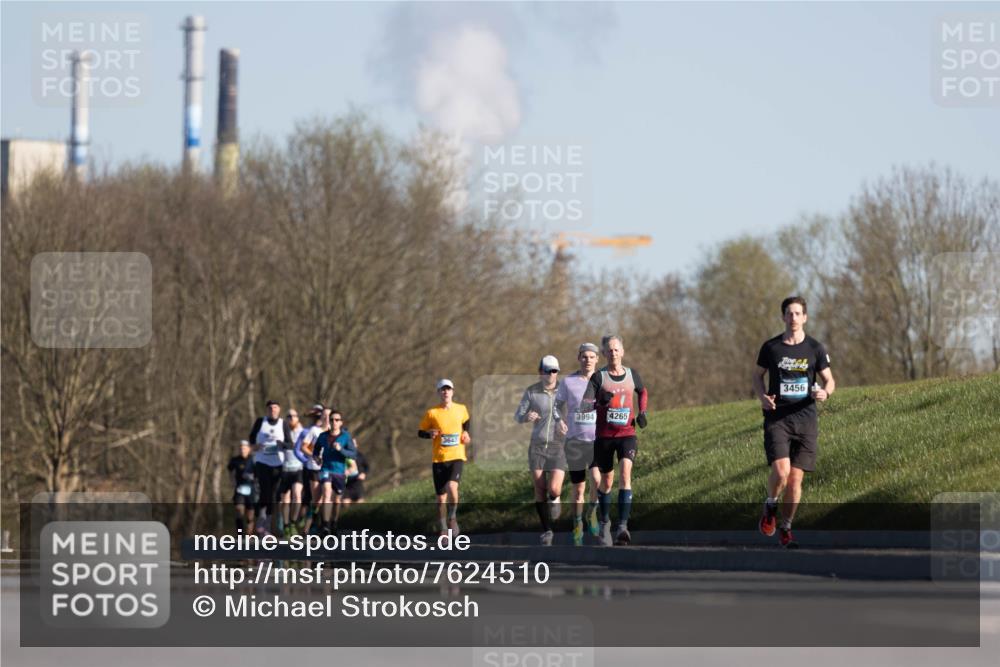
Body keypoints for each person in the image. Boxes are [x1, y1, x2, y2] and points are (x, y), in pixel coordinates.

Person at [752, 296, 835, 549]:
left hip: (806, 420)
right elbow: (757, 376)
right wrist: (762, 397)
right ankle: (770, 504)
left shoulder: (815, 348)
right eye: (789, 313)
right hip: (778, 418)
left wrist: (825, 392)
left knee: (796, 480)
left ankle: (786, 528)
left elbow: (830, 380)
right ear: (783, 317)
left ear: (805, 317)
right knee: (781, 472)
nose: (793, 318)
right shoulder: (771, 348)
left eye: (798, 313)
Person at [583, 335, 649, 546]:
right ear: (604, 354)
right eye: (609, 350)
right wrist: (599, 403)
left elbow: (642, 391)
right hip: (603, 437)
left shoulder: (632, 375)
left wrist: (642, 412)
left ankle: (622, 526)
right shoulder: (598, 378)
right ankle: (604, 523)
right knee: (607, 482)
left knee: (625, 474)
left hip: (627, 435)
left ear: (623, 351)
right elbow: (585, 405)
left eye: (616, 349)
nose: (613, 353)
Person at [515, 355, 568, 546]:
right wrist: (527, 416)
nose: (551, 374)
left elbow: (576, 410)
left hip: (557, 446)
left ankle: (556, 498)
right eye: (547, 370)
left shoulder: (564, 390)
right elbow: (518, 415)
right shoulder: (532, 392)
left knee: (553, 488)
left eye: (554, 371)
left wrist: (566, 424)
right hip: (537, 447)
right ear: (540, 372)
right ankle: (547, 531)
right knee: (539, 489)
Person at [556, 343, 603, 546]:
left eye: (592, 357)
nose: (588, 360)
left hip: (595, 440)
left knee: (597, 480)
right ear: (579, 358)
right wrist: (559, 420)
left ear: (597, 360)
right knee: (577, 490)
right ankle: (577, 523)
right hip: (574, 441)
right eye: (584, 357)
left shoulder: (602, 380)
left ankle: (592, 512)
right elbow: (557, 406)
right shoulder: (568, 382)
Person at [418, 379, 471, 537]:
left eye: (448, 389)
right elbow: (420, 432)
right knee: (441, 499)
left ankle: (452, 517)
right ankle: (443, 529)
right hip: (439, 460)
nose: (445, 392)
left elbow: (466, 423)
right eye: (442, 390)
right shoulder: (432, 413)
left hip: (456, 456)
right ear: (439, 393)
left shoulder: (461, 409)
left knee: (452, 488)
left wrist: (466, 433)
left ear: (453, 392)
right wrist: (429, 433)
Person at [248, 399, 295, 535]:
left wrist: (282, 445)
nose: (273, 410)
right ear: (267, 410)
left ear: (279, 410)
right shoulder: (260, 422)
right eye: (270, 408)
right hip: (262, 461)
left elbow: (290, 444)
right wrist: (255, 446)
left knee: (274, 495)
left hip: (277, 463)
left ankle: (268, 522)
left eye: (275, 408)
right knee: (265, 491)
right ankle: (262, 521)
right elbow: (251, 438)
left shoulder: (283, 424)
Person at [312, 409, 357, 535]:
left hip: (339, 472)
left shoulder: (346, 437)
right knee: (326, 494)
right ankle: (325, 525)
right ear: (329, 421)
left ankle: (334, 523)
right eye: (331, 419)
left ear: (341, 422)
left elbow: (353, 454)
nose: (334, 422)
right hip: (326, 469)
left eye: (337, 420)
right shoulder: (322, 436)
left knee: (337, 501)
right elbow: (315, 450)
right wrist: (317, 458)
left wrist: (341, 450)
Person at [294, 404, 328, 535]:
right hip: (313, 468)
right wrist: (312, 457)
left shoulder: (336, 432)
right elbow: (301, 448)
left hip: (329, 468)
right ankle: (309, 526)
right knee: (316, 500)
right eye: (323, 416)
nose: (325, 419)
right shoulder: (313, 430)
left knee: (325, 497)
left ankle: (320, 525)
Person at [278, 409, 305, 536]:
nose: (291, 418)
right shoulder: (282, 432)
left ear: (298, 418)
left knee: (297, 495)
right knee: (285, 501)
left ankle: (293, 522)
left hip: (298, 469)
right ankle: (286, 525)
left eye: (293, 416)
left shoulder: (303, 432)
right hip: (285, 469)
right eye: (288, 416)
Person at [227, 440, 257, 534]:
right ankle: (239, 533)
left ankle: (249, 535)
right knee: (239, 511)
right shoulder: (235, 460)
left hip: (251, 489)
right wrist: (232, 481)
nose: (242, 450)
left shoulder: (253, 460)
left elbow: (259, 473)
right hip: (240, 489)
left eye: (244, 448)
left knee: (250, 516)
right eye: (240, 448)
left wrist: (254, 478)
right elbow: (230, 471)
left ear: (248, 449)